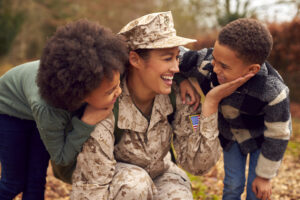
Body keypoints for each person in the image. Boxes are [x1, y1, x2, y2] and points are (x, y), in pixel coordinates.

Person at [70, 11, 254, 200]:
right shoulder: (106, 101)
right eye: (167, 58)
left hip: (160, 174)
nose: (175, 68)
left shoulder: (180, 95)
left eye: (176, 58)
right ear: (135, 60)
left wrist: (211, 105)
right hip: (115, 185)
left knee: (177, 194)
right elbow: (91, 188)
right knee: (135, 184)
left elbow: (198, 165)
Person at [0, 19, 129, 200]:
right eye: (111, 91)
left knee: (36, 180)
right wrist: (86, 123)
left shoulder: (101, 73)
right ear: (81, 93)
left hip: (35, 106)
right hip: (9, 110)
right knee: (13, 183)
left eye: (117, 85)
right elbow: (61, 157)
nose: (119, 91)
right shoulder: (49, 108)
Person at [180, 18, 292, 200]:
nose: (214, 68)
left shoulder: (272, 91)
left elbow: (278, 134)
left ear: (252, 69)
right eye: (214, 59)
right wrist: (181, 79)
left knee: (255, 189)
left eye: (224, 66)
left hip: (263, 137)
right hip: (230, 134)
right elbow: (173, 55)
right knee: (233, 184)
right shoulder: (207, 65)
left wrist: (265, 176)